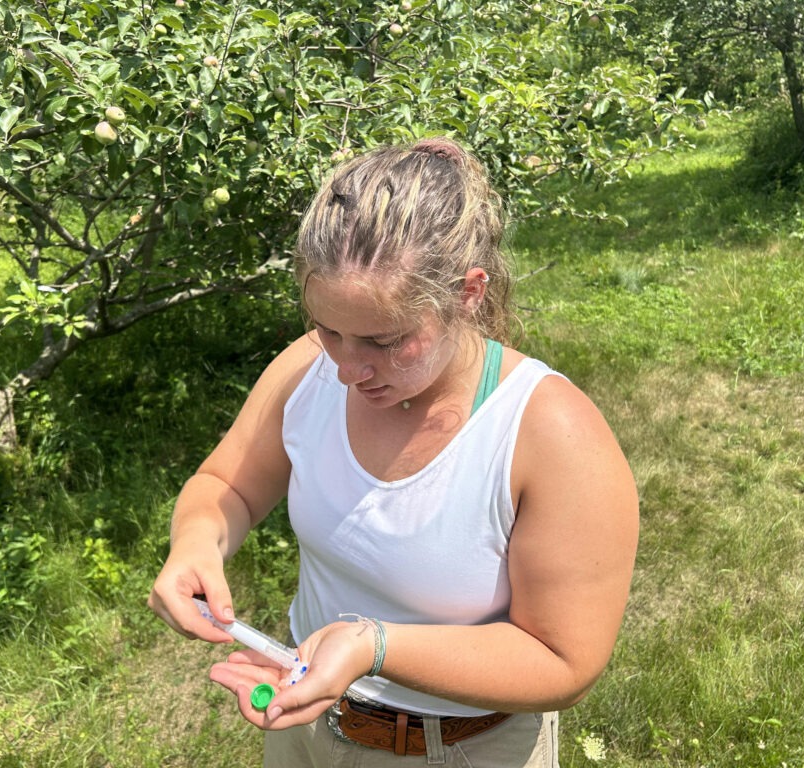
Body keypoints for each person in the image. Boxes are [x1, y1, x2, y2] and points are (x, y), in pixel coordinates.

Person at [147, 137, 639, 767]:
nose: (348, 369)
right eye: (328, 329)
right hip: (301, 725)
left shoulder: (549, 434)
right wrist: (195, 542)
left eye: (384, 340)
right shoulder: (307, 369)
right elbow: (229, 485)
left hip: (460, 750)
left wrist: (374, 647)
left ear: (468, 293)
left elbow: (563, 661)